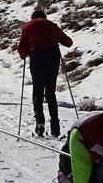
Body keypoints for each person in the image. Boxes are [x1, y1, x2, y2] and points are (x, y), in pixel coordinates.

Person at [16, 9, 73, 138]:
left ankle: (40, 122)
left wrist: (24, 54)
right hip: (53, 56)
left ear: (32, 18)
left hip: (37, 56)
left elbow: (21, 48)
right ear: (44, 17)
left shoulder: (27, 26)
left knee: (38, 91)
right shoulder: (51, 25)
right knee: (50, 92)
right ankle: (55, 127)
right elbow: (68, 42)